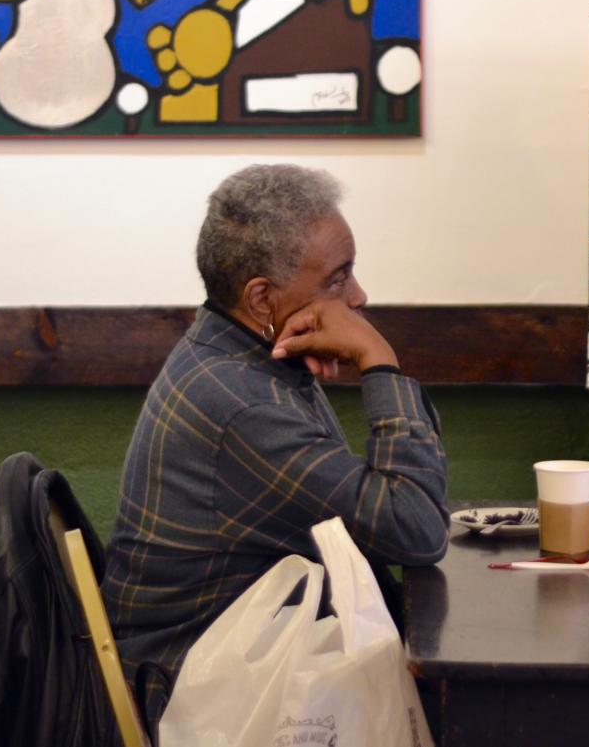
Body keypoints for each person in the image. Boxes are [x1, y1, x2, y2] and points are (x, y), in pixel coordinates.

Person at [103, 164, 449, 719]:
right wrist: (381, 363)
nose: (359, 296)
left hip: (245, 662)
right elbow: (415, 530)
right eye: (338, 278)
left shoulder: (235, 358)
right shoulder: (245, 405)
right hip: (204, 697)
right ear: (262, 299)